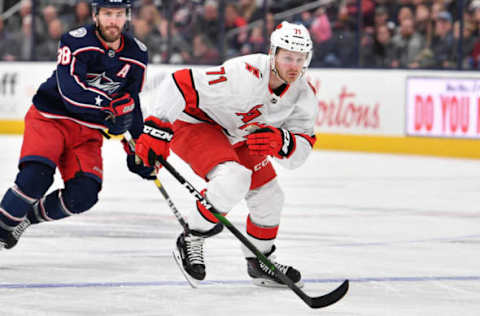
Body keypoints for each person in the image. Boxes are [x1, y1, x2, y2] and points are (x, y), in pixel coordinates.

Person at [135, 21, 317, 287]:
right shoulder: (244, 73)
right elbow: (179, 81)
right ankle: (192, 237)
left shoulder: (304, 94)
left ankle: (260, 261)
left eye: (300, 59)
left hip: (238, 135)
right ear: (273, 53)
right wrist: (157, 129)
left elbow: (300, 150)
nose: (294, 65)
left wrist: (281, 141)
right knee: (234, 178)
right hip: (195, 123)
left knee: (270, 197)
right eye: (288, 57)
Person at [0, 0, 154, 250]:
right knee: (34, 179)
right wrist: (108, 108)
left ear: (126, 16)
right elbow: (70, 92)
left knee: (83, 196)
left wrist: (140, 149)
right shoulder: (76, 41)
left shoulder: (138, 54)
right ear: (95, 15)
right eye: (106, 14)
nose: (112, 21)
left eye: (118, 14)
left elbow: (131, 102)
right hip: (51, 118)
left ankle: (25, 218)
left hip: (88, 132)